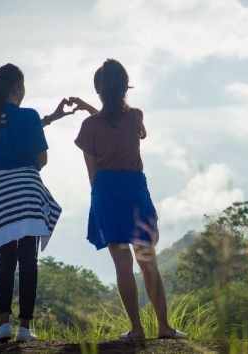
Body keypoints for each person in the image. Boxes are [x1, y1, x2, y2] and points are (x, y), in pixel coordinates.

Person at [72, 58, 187, 339]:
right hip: (134, 189)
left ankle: (136, 329)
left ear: (98, 90)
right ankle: (164, 327)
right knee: (147, 261)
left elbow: (92, 171)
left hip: (106, 191)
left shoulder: (88, 127)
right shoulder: (136, 116)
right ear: (125, 87)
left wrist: (90, 109)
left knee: (122, 263)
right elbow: (129, 128)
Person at [0, 63, 69, 343]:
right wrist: (42, 123)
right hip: (27, 188)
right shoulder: (28, 116)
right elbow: (42, 160)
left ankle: (2, 324)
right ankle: (25, 328)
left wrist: (49, 118)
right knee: (29, 258)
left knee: (6, 258)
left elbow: (6, 123)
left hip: (0, 191)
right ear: (19, 87)